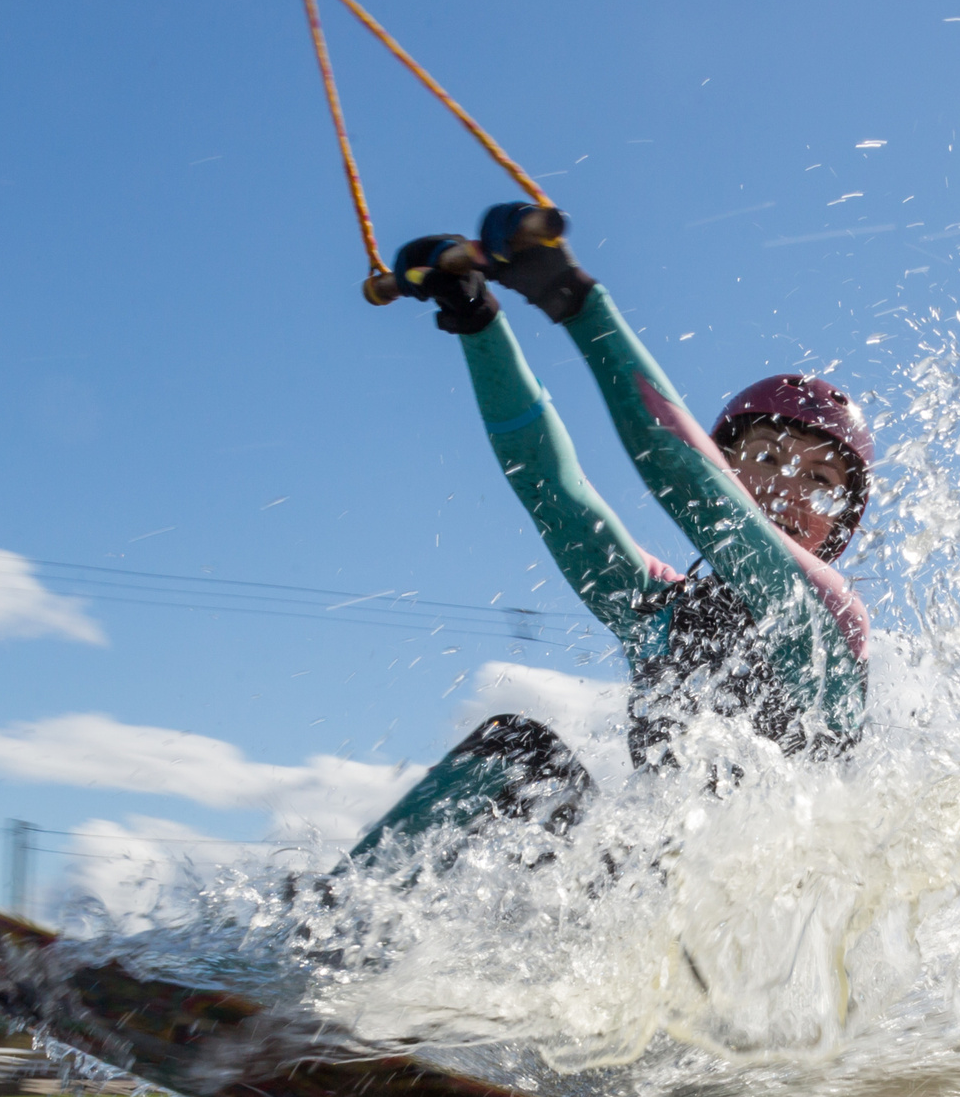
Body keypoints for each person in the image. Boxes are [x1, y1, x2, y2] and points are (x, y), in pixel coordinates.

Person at [345, 204, 873, 866]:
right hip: (652, 903)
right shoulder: (657, 610)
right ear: (729, 464)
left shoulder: (825, 609)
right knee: (513, 752)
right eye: (767, 458)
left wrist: (575, 301)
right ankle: (309, 955)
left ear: (840, 527)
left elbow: (689, 483)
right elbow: (549, 489)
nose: (791, 488)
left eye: (823, 483)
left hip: (774, 919)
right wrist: (475, 319)